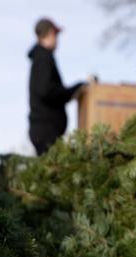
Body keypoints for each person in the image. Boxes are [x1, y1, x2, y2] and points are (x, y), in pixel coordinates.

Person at [28, 18, 84, 155]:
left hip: (46, 129)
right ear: (50, 33)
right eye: (56, 35)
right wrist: (74, 90)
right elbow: (47, 90)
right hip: (46, 130)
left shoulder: (41, 57)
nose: (57, 39)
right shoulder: (43, 58)